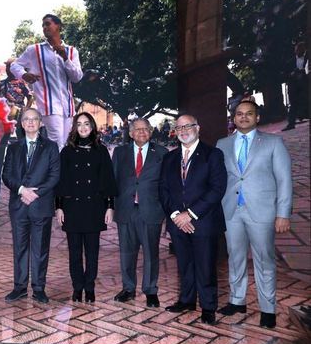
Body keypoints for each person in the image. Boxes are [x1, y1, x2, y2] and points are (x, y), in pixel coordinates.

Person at [216, 101, 292, 329]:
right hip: (231, 211)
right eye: (239, 114)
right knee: (235, 257)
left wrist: (283, 213)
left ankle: (268, 309)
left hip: (262, 211)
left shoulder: (273, 142)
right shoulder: (223, 144)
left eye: (249, 114)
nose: (244, 117)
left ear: (257, 117)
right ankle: (237, 301)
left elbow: (284, 180)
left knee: (264, 260)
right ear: (233, 118)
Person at [159, 114, 227, 325]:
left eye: (187, 126)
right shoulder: (169, 158)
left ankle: (208, 307)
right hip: (177, 222)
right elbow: (163, 190)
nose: (183, 130)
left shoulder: (212, 154)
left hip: (204, 221)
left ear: (198, 128)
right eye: (178, 128)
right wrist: (175, 216)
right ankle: (186, 300)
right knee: (185, 264)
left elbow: (217, 189)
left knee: (205, 265)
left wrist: (190, 214)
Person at [106, 118, 167, 308]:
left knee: (151, 252)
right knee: (127, 252)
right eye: (137, 129)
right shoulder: (119, 152)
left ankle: (150, 290)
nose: (142, 132)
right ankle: (128, 289)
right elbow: (112, 181)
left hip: (151, 210)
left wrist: (165, 211)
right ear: (131, 133)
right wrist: (110, 206)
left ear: (151, 131)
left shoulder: (162, 153)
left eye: (146, 129)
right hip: (126, 210)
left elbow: (166, 185)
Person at [56, 112, 116, 302]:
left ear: (92, 127)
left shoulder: (101, 151)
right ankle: (77, 287)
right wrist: (59, 207)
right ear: (74, 127)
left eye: (86, 124)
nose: (83, 127)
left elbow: (108, 180)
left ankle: (89, 287)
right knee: (74, 252)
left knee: (92, 252)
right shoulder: (66, 152)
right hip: (72, 208)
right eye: (79, 124)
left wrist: (109, 207)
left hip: (94, 208)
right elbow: (61, 181)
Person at [2, 108, 60, 303]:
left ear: (41, 123)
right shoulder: (13, 147)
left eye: (34, 119)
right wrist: (21, 190)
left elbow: (54, 176)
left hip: (40, 205)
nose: (30, 122)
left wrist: (35, 193)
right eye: (26, 119)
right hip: (19, 205)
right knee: (20, 247)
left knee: (40, 248)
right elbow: (6, 175)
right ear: (22, 123)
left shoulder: (51, 147)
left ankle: (38, 288)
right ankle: (19, 287)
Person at [11, 14, 83, 150]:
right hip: (48, 104)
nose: (44, 27)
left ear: (59, 26)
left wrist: (65, 58)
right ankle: (56, 171)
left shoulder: (72, 51)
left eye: (48, 24)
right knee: (56, 141)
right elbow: (15, 65)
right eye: (43, 25)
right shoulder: (35, 50)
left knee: (63, 142)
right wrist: (24, 75)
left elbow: (77, 77)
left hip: (68, 107)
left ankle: (52, 169)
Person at [282, 42, 309, 131]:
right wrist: (293, 74)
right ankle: (291, 123)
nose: (297, 51)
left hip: (305, 84)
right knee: (293, 104)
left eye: (300, 49)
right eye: (296, 50)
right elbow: (285, 74)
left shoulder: (307, 59)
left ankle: (302, 115)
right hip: (294, 85)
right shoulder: (290, 62)